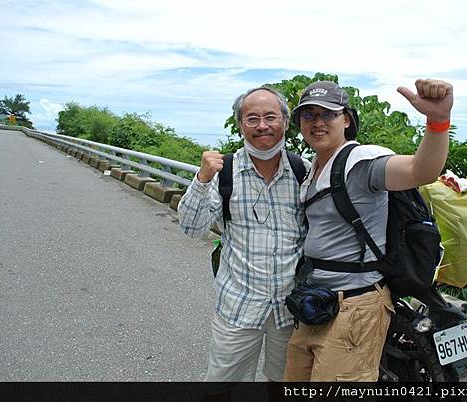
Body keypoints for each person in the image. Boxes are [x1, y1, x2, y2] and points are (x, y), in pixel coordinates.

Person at [284, 79, 453, 381]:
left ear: (346, 120)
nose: (317, 122)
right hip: (317, 299)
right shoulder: (314, 168)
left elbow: (420, 171)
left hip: (355, 307)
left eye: (328, 114)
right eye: (308, 115)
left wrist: (438, 122)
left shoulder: (362, 162)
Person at [177, 86, 308, 384]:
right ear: (240, 124)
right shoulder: (224, 172)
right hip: (238, 305)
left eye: (270, 117)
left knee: (285, 382)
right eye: (252, 118)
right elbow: (190, 228)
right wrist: (202, 179)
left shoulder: (304, 170)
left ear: (286, 122)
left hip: (290, 309)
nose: (262, 125)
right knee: (221, 385)